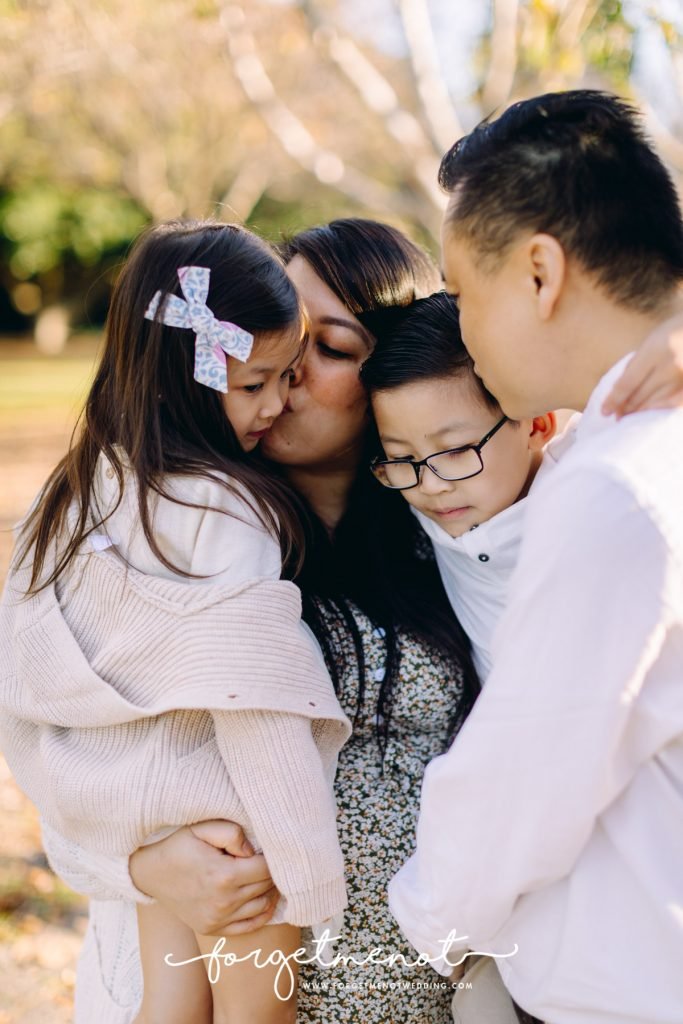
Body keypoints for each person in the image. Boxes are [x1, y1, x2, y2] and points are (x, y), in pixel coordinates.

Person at [10, 218, 683, 1024]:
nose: (286, 372)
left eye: (324, 348)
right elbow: (53, 737)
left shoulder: (451, 514)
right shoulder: (172, 527)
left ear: (392, 368)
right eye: (273, 346)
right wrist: (142, 863)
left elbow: (587, 452)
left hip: (435, 998)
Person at [0, 220, 353, 1024]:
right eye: (253, 383)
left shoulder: (75, 490)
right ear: (182, 377)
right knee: (256, 1015)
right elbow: (258, 704)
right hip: (239, 832)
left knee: (167, 1007)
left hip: (151, 829)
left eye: (286, 376)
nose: (276, 403)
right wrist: (310, 876)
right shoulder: (227, 509)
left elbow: (24, 662)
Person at [388, 90, 683, 1024]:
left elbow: (520, 781)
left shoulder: (615, 486)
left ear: (539, 273)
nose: (463, 328)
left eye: (463, 294)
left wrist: (424, 921)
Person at [360, 290, 561, 679]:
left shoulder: (593, 505)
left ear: (536, 424)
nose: (431, 486)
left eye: (455, 451)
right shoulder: (426, 507)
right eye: (402, 458)